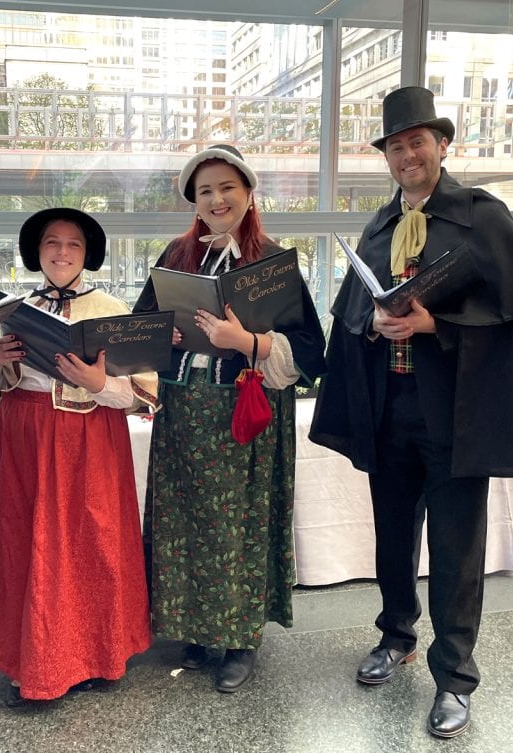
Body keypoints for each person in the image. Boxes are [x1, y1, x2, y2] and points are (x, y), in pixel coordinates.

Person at [309, 87, 513, 738]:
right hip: (390, 409)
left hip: (455, 414)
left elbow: (512, 313)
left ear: (442, 145)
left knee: (455, 549)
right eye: (396, 145)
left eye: (417, 141)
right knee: (393, 538)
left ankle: (455, 677)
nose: (407, 154)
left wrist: (433, 321)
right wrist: (374, 320)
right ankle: (397, 637)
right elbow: (352, 311)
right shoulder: (380, 226)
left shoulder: (482, 218)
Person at [133, 145, 326, 693]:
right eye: (205, 191)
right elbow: (141, 327)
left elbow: (312, 350)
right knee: (186, 521)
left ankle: (241, 637)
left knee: (242, 524)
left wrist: (251, 342)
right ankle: (196, 629)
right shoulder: (176, 255)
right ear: (194, 201)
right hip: (185, 414)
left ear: (247, 192)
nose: (216, 199)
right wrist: (161, 335)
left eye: (226, 188)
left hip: (246, 417)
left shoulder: (271, 262)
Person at [0, 207, 158, 706]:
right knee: (28, 544)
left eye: (72, 245)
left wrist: (99, 383)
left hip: (92, 437)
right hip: (24, 435)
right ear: (37, 251)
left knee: (92, 543)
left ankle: (98, 654)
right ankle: (31, 661)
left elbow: (142, 394)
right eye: (51, 242)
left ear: (86, 255)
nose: (61, 252)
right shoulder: (11, 309)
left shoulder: (112, 307)